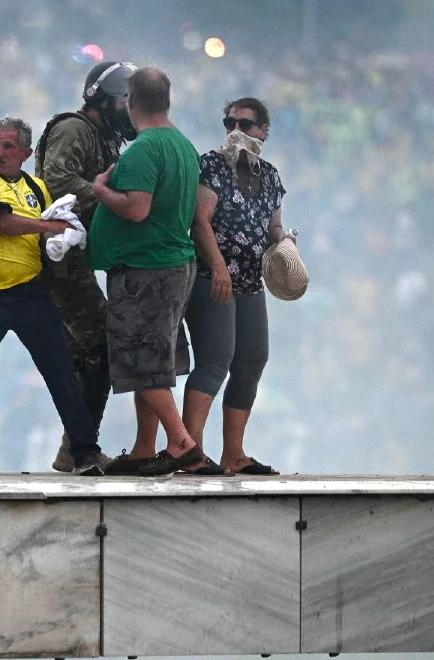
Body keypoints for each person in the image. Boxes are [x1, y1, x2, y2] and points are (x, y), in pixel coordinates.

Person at [0, 116, 107, 476]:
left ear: (25, 152)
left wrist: (63, 236)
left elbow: (60, 223)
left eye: (8, 147)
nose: (0, 153)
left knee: (61, 372)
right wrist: (48, 227)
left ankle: (85, 451)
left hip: (31, 292)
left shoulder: (38, 188)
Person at [88, 66, 203, 476]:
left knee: (140, 359)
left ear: (129, 103)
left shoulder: (143, 149)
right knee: (155, 359)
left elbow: (137, 208)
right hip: (174, 263)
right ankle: (143, 448)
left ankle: (180, 443)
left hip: (146, 268)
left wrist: (101, 191)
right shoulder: (184, 146)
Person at [35, 60, 135, 472]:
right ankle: (79, 449)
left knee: (89, 355)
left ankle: (75, 447)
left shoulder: (104, 137)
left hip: (78, 259)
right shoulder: (74, 130)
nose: (131, 109)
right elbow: (57, 182)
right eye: (126, 100)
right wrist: (107, 194)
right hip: (61, 259)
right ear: (106, 99)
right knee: (100, 345)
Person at [181, 98, 288, 475]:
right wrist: (218, 266)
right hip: (215, 278)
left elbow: (273, 225)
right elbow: (201, 220)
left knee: (251, 360)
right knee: (215, 360)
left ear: (263, 131)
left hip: (249, 280)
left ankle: (234, 454)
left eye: (245, 123)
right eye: (230, 123)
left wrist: (285, 243)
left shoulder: (271, 176)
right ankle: (190, 450)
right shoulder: (213, 165)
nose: (236, 130)